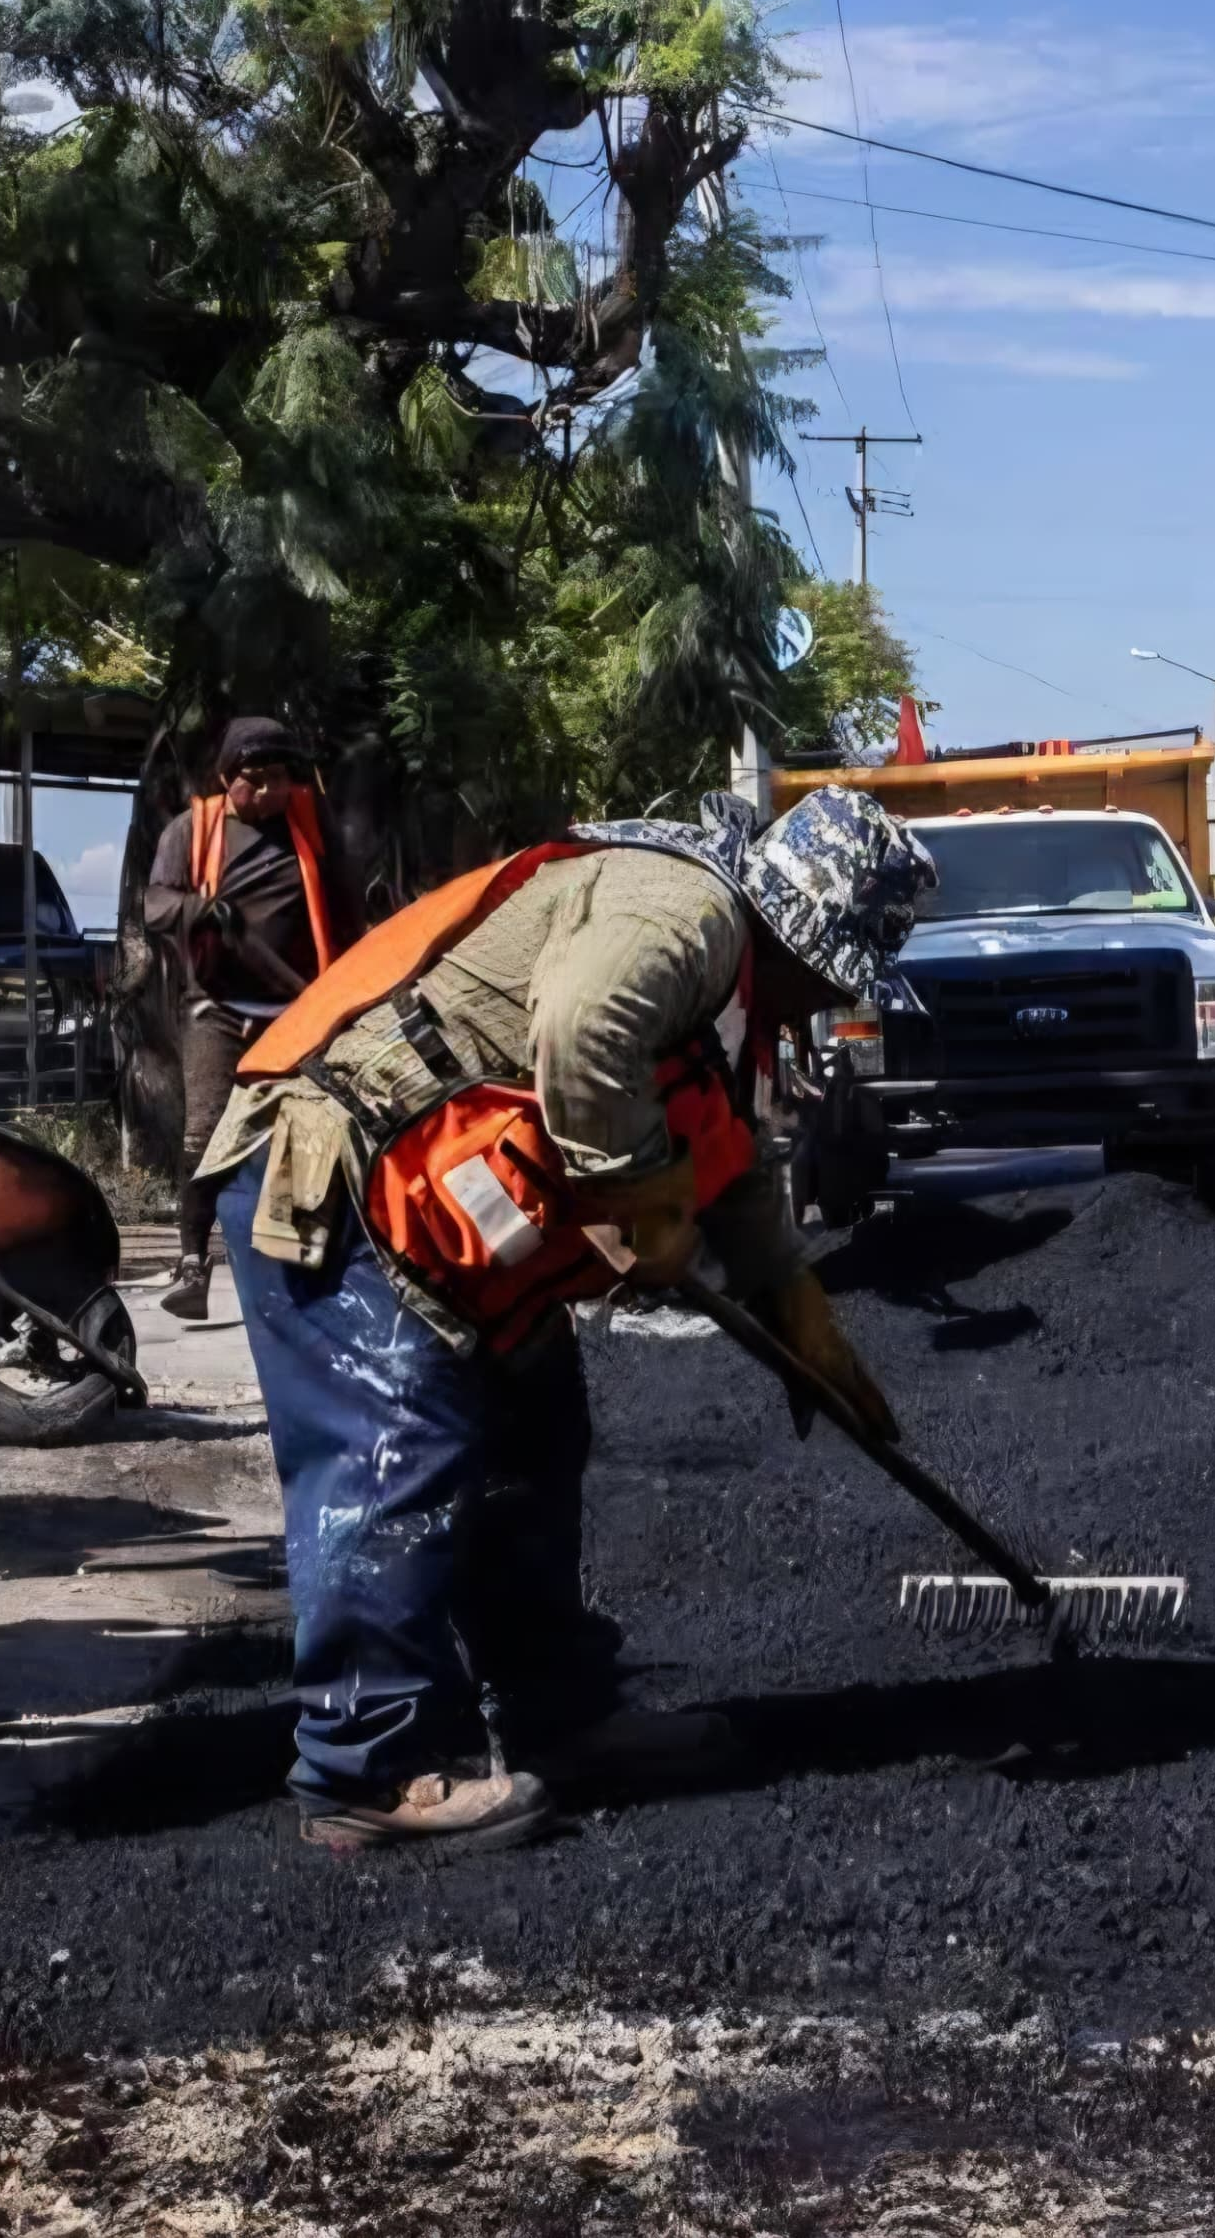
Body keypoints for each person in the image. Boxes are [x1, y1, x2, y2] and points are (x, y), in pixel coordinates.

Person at [202, 788, 933, 1853]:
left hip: (446, 1220)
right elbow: (582, 1030)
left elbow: (723, 1162)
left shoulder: (731, 998)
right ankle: (365, 1768)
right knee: (398, 1453)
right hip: (343, 1178)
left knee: (535, 1438)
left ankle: (560, 1719)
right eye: (833, 975)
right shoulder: (688, 914)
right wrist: (636, 1195)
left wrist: (794, 1304)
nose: (826, 997)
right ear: (803, 937)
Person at [139, 716, 351, 1321]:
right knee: (204, 1135)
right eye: (254, 780)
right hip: (217, 1007)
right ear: (226, 778)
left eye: (279, 779)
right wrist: (202, 909)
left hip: (301, 1010)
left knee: (309, 1130)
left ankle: (295, 1273)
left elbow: (348, 907)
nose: (267, 792)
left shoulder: (311, 827)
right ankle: (191, 1264)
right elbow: (155, 903)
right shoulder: (192, 829)